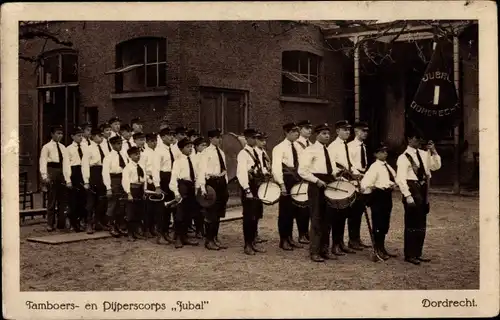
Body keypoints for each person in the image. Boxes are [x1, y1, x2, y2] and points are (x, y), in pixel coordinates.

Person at [396, 131, 441, 265]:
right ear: (409, 139)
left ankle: (417, 253)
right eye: (416, 138)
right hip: (412, 189)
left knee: (421, 223)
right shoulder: (403, 157)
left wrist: (433, 151)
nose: (419, 141)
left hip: (422, 189)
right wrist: (408, 196)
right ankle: (409, 254)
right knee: (411, 224)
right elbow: (401, 179)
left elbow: (435, 166)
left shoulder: (423, 154)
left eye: (420, 138)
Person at [298, 123, 341, 262]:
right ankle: (314, 251)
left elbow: (331, 168)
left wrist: (336, 175)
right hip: (316, 185)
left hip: (328, 183)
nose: (327, 136)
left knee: (328, 218)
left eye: (328, 133)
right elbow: (302, 171)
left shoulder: (328, 150)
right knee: (316, 218)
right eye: (323, 133)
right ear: (317, 135)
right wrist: (316, 181)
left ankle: (325, 249)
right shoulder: (310, 150)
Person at [360, 143, 398, 260]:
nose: (385, 153)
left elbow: (392, 178)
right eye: (381, 152)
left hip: (387, 195)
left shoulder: (387, 166)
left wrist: (392, 184)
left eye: (386, 151)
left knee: (385, 223)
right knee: (378, 223)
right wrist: (370, 190)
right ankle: (377, 249)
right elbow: (365, 183)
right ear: (376, 154)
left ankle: (382, 247)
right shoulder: (374, 167)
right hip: (378, 196)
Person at [327, 120, 360, 256]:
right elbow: (331, 166)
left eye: (348, 130)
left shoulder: (347, 146)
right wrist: (339, 176)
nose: (347, 132)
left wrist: (356, 174)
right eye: (344, 129)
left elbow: (350, 164)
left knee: (344, 214)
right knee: (337, 214)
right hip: (338, 182)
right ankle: (335, 245)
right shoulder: (332, 147)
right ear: (337, 131)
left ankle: (341, 242)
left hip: (348, 180)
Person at [272, 122, 303, 251]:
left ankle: (290, 237)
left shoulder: (298, 147)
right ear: (287, 133)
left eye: (297, 131)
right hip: (286, 180)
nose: (297, 134)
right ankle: (283, 239)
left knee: (294, 210)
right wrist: (281, 184)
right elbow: (276, 168)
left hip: (297, 179)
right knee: (284, 211)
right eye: (294, 132)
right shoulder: (279, 148)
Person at [197, 129, 229, 250]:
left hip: (221, 183)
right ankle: (208, 240)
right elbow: (201, 171)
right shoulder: (206, 153)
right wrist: (203, 187)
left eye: (220, 137)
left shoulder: (221, 152)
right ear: (210, 139)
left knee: (219, 213)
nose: (218, 139)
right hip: (211, 182)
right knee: (211, 212)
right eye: (216, 137)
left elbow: (224, 169)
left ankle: (215, 238)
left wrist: (225, 183)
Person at [236, 128, 267, 255]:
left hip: (258, 186)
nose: (255, 140)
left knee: (255, 215)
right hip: (249, 187)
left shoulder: (257, 152)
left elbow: (261, 167)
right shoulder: (243, 154)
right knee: (248, 217)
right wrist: (247, 189)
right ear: (247, 139)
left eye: (256, 138)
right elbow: (241, 173)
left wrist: (266, 172)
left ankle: (253, 241)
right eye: (253, 138)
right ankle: (247, 244)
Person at [39, 125, 71, 232]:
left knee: (63, 199)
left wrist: (67, 179)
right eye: (57, 133)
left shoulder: (63, 147)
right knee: (52, 199)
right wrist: (45, 175)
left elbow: (66, 164)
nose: (60, 136)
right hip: (52, 171)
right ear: (52, 134)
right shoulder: (46, 147)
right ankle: (50, 223)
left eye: (61, 134)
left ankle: (61, 223)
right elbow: (43, 161)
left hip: (61, 171)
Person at [169, 138, 199, 248]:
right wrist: (176, 193)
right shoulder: (178, 162)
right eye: (187, 147)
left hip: (191, 187)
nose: (190, 148)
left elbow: (196, 175)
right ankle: (178, 237)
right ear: (181, 149)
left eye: (191, 146)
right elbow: (173, 179)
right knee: (179, 214)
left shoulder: (194, 160)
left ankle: (185, 236)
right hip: (182, 187)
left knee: (189, 213)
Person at [346, 121, 372, 250]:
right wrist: (356, 175)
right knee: (354, 212)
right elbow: (350, 165)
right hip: (354, 180)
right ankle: (352, 240)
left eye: (366, 131)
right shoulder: (350, 146)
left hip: (363, 180)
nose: (365, 133)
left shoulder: (364, 146)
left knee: (360, 211)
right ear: (356, 131)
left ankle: (357, 238)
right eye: (363, 131)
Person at [82, 128, 109, 234]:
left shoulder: (105, 148)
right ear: (93, 137)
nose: (101, 138)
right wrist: (86, 181)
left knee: (102, 200)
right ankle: (89, 224)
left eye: (102, 136)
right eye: (99, 136)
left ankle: (98, 222)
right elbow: (85, 165)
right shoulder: (88, 149)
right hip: (93, 173)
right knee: (91, 200)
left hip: (103, 173)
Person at [102, 135, 129, 237]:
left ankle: (119, 225)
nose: (120, 145)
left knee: (121, 204)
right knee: (112, 203)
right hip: (114, 180)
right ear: (112, 145)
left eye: (121, 143)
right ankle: (111, 225)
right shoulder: (108, 157)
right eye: (118, 144)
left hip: (123, 179)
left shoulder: (124, 155)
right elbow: (105, 173)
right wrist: (108, 188)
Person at [153, 127, 176, 243]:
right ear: (162, 137)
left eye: (172, 134)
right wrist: (157, 186)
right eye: (168, 135)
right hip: (163, 179)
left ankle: (166, 232)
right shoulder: (159, 151)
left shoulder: (172, 149)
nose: (171, 137)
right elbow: (155, 169)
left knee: (170, 207)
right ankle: (160, 234)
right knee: (162, 208)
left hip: (171, 178)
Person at [65, 126, 88, 232]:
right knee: (73, 200)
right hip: (74, 173)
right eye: (78, 136)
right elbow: (66, 165)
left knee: (83, 199)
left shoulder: (85, 146)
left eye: (81, 135)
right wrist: (68, 180)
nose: (80, 138)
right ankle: (73, 222)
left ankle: (80, 220)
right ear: (72, 136)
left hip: (83, 172)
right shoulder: (68, 149)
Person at [293, 120, 313, 244]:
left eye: (310, 128)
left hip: (310, 177)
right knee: (301, 207)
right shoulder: (295, 144)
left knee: (310, 207)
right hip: (300, 177)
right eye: (306, 128)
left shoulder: (311, 144)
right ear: (300, 130)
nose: (309, 130)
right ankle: (301, 233)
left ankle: (307, 233)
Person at [122, 146, 146, 241]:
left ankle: (136, 232)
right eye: (135, 154)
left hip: (140, 190)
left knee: (138, 212)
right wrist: (129, 193)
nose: (138, 156)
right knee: (130, 213)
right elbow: (125, 181)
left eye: (139, 154)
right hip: (132, 190)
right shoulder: (128, 168)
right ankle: (130, 234)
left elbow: (144, 180)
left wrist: (144, 191)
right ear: (130, 156)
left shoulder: (141, 166)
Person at [141, 133, 162, 238]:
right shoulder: (144, 154)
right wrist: (147, 181)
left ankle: (153, 228)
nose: (154, 143)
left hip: (157, 180)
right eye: (151, 141)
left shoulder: (157, 153)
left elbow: (157, 170)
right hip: (149, 181)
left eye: (155, 141)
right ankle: (146, 229)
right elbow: (143, 170)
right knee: (148, 208)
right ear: (147, 142)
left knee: (156, 207)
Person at [191, 137, 209, 238]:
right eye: (202, 145)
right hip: (198, 185)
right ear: (196, 147)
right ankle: (199, 229)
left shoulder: (208, 157)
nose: (204, 147)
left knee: (207, 208)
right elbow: (196, 174)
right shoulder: (195, 158)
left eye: (205, 145)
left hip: (208, 185)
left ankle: (206, 229)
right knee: (198, 209)